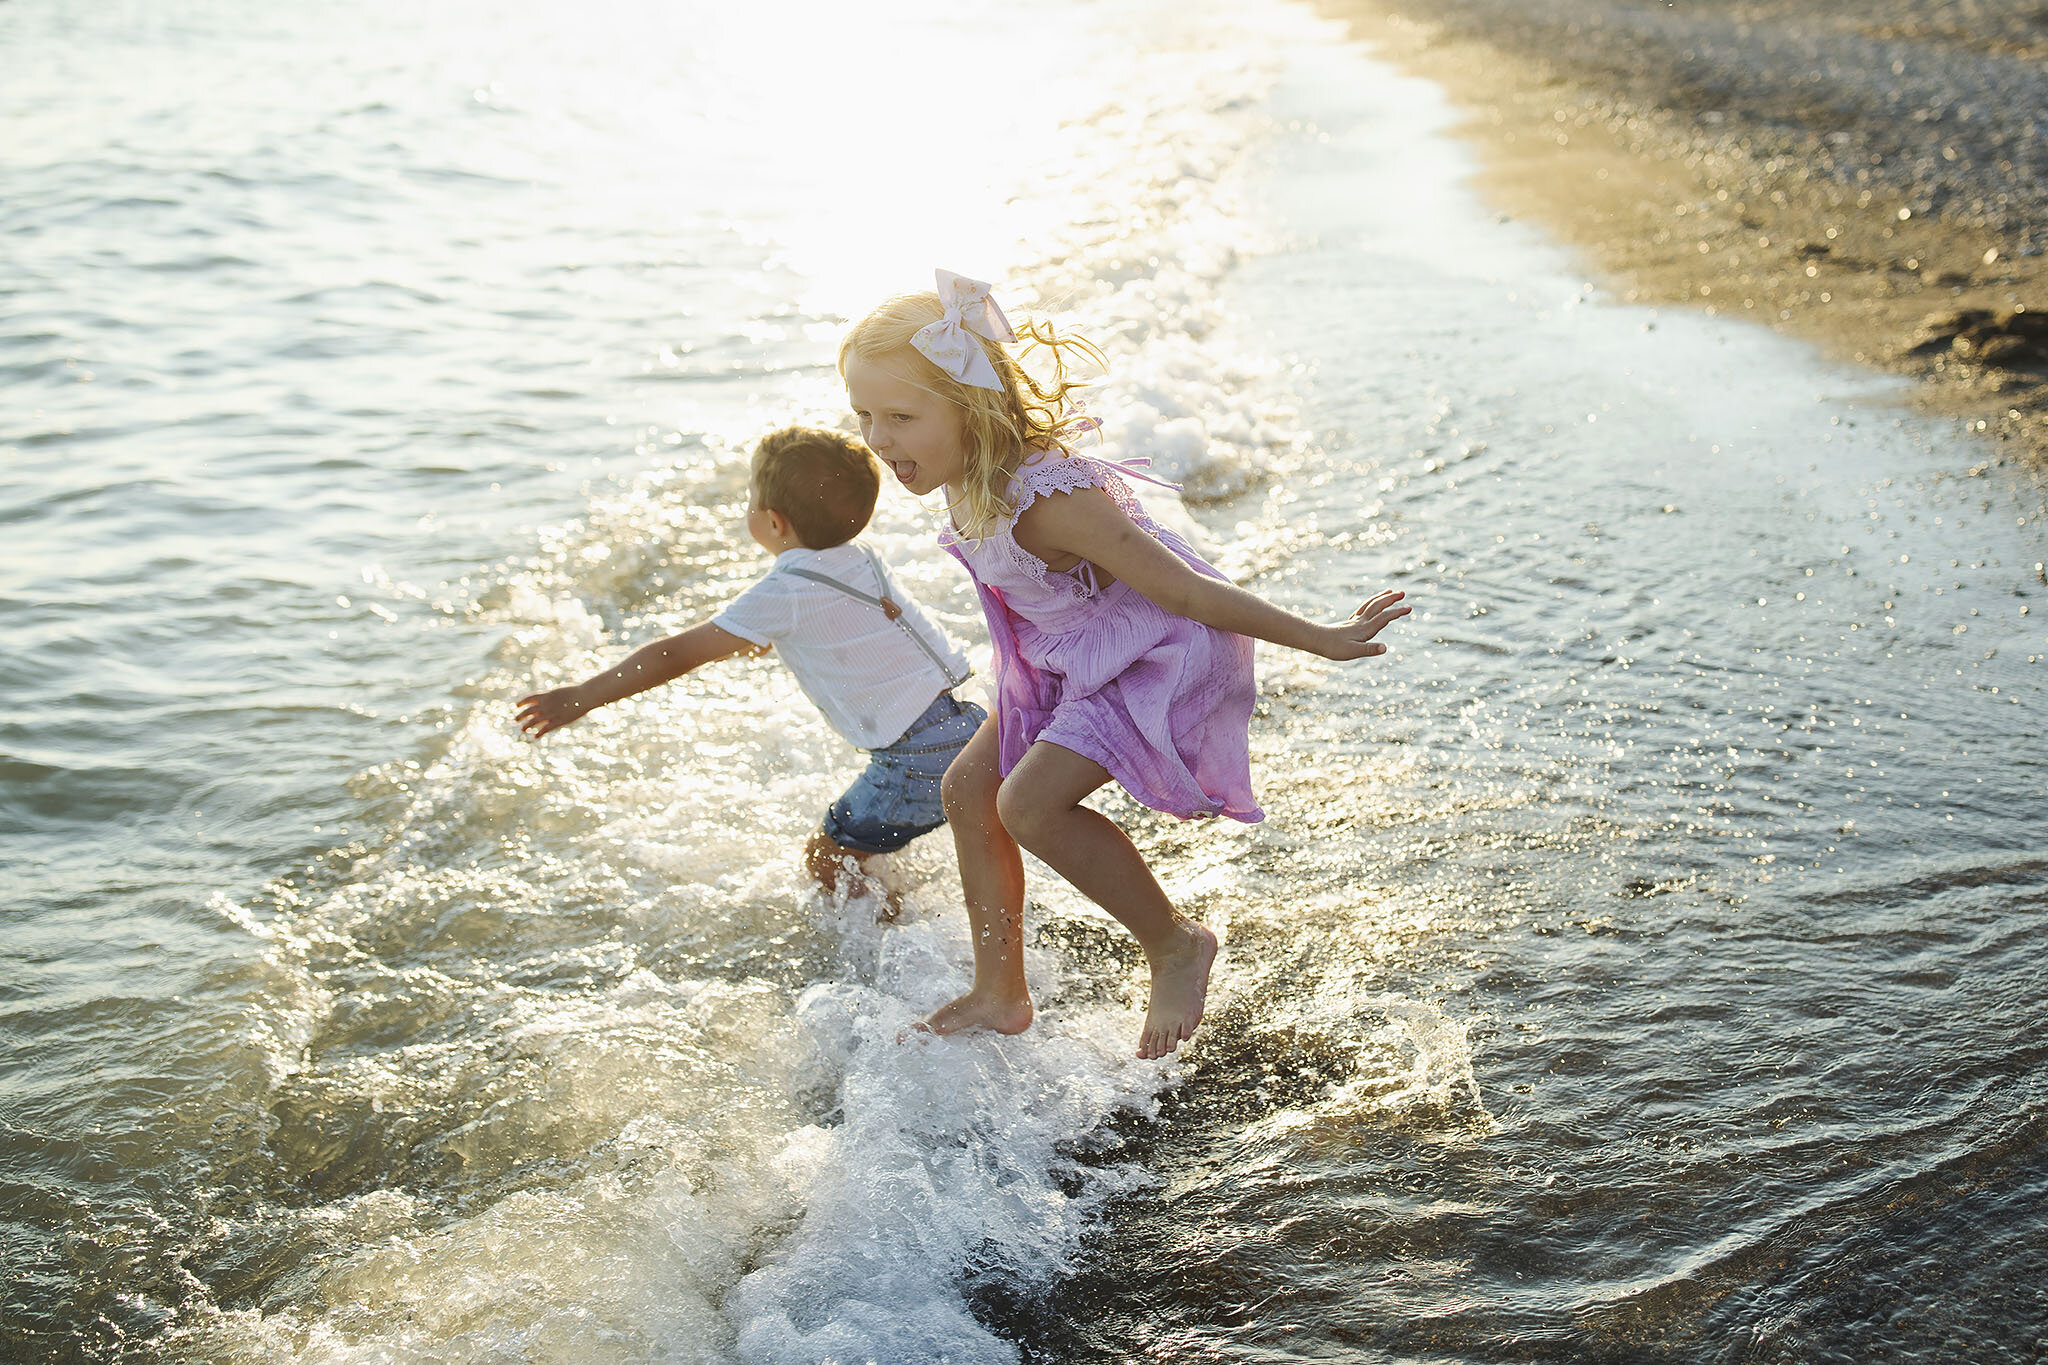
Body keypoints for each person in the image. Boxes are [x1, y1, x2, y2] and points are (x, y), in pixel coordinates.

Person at [839, 271, 1410, 1058]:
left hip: (1153, 648)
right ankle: (1000, 990)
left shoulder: (1049, 498)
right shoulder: (962, 472)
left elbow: (1186, 590)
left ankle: (1175, 943)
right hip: (1064, 650)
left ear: (970, 407)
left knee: (1029, 806)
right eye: (864, 414)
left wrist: (1323, 635)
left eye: (900, 416)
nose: (877, 437)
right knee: (969, 787)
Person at [516, 425, 984, 912]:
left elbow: (673, 654)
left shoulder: (782, 594)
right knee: (907, 836)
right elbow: (852, 625)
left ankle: (895, 934)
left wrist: (582, 696)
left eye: (750, 501)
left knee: (826, 859)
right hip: (972, 723)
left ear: (776, 524)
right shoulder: (862, 556)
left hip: (915, 759)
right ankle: (926, 911)